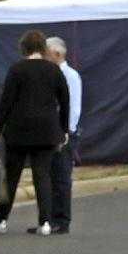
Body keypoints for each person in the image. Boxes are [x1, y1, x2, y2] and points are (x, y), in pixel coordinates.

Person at [0, 27, 68, 235]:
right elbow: (64, 100)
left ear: (23, 48)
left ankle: (1, 220)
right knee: (42, 176)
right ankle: (45, 222)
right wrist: (63, 129)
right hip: (47, 131)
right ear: (43, 48)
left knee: (12, 177)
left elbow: (6, 101)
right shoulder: (54, 70)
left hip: (18, 131)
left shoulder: (17, 69)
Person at [44, 34, 81, 235]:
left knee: (61, 178)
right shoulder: (49, 74)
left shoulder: (70, 76)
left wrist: (66, 132)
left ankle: (62, 219)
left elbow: (73, 108)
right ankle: (48, 218)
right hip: (50, 133)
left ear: (57, 54)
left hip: (63, 134)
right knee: (48, 177)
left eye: (47, 53)